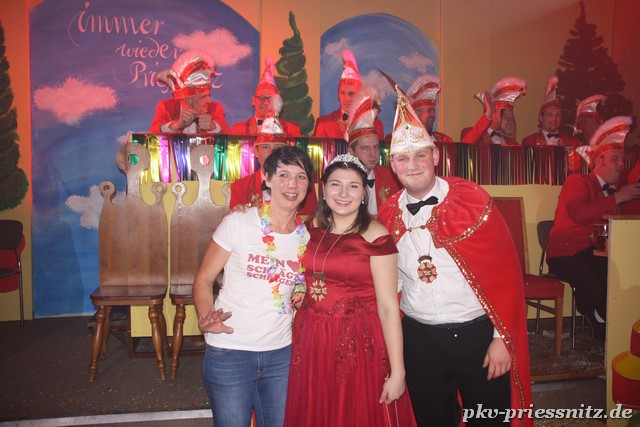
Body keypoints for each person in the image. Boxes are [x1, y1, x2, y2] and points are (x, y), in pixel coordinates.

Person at [378, 87, 533, 427]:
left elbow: (505, 276)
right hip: (419, 340)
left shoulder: (472, 200)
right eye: (402, 158)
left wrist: (501, 339)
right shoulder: (387, 216)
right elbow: (388, 285)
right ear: (393, 165)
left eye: (420, 155)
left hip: (478, 337)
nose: (412, 165)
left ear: (435, 156)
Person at [284, 153, 414, 427]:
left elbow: (388, 307)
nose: (343, 193)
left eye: (353, 186)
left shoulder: (376, 236)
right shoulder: (308, 228)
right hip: (311, 338)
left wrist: (399, 370)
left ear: (364, 193)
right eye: (336, 184)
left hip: (358, 343)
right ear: (323, 190)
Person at [193, 145, 313, 427]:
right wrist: (206, 316)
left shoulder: (306, 238)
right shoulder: (237, 223)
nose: (292, 184)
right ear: (266, 178)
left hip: (280, 352)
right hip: (230, 350)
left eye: (301, 177)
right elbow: (204, 279)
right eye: (283, 175)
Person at [546, 116, 640, 342]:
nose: (621, 164)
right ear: (598, 162)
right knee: (597, 281)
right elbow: (579, 213)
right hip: (567, 252)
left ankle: (610, 324)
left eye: (622, 160)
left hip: (598, 253)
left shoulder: (615, 192)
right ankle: (600, 320)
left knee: (623, 275)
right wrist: (617, 198)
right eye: (615, 159)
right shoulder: (578, 181)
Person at [229, 94, 317, 215]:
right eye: (265, 147)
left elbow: (310, 223)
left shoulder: (304, 187)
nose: (271, 153)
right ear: (256, 152)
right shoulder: (240, 188)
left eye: (277, 148)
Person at [343, 85, 402, 215]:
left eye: (376, 147)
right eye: (365, 148)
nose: (373, 154)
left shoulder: (391, 177)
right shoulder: (341, 179)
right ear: (351, 152)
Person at [150, 50, 229, 134]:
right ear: (188, 100)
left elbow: (229, 136)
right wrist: (176, 126)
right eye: (203, 97)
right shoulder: (166, 107)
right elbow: (152, 134)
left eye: (208, 95)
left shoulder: (215, 108)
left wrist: (213, 126)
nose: (209, 101)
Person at [313, 50, 384, 140]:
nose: (346, 99)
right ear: (338, 95)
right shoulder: (323, 124)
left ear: (359, 96)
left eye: (351, 94)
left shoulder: (376, 125)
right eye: (342, 93)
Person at [230, 56, 301, 137]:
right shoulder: (239, 130)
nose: (266, 103)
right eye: (262, 98)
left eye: (270, 99)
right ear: (253, 100)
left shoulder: (291, 130)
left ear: (277, 103)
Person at [522, 76, 581, 172]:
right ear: (541, 118)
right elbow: (526, 171)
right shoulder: (529, 141)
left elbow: (577, 171)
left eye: (558, 115)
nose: (554, 118)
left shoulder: (572, 142)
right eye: (549, 115)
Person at [460, 77, 527, 145]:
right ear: (493, 113)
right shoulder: (472, 133)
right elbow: (466, 145)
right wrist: (488, 115)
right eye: (504, 116)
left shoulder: (511, 142)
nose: (508, 121)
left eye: (511, 118)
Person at [406, 74, 453, 142]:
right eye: (430, 110)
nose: (433, 115)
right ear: (416, 113)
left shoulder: (444, 140)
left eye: (434, 111)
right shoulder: (402, 140)